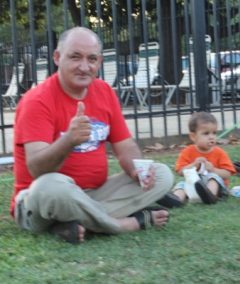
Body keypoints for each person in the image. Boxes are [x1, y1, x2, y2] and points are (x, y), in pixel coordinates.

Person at [11, 27, 180, 244]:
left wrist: (138, 170)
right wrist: (68, 140)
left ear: (99, 62)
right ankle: (123, 224)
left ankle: (72, 223)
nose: (84, 66)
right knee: (50, 186)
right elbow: (37, 169)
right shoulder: (37, 101)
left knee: (162, 174)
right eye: (75, 57)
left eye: (91, 59)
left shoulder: (104, 92)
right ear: (57, 57)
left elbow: (125, 145)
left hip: (93, 194)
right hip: (40, 201)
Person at [171, 112, 236, 204]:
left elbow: (227, 174)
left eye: (214, 133)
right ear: (193, 136)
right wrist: (193, 165)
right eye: (206, 133)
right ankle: (176, 200)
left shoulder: (219, 153)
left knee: (213, 177)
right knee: (182, 185)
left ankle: (210, 196)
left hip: (218, 190)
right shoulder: (187, 152)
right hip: (193, 185)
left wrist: (213, 170)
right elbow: (180, 171)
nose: (211, 137)